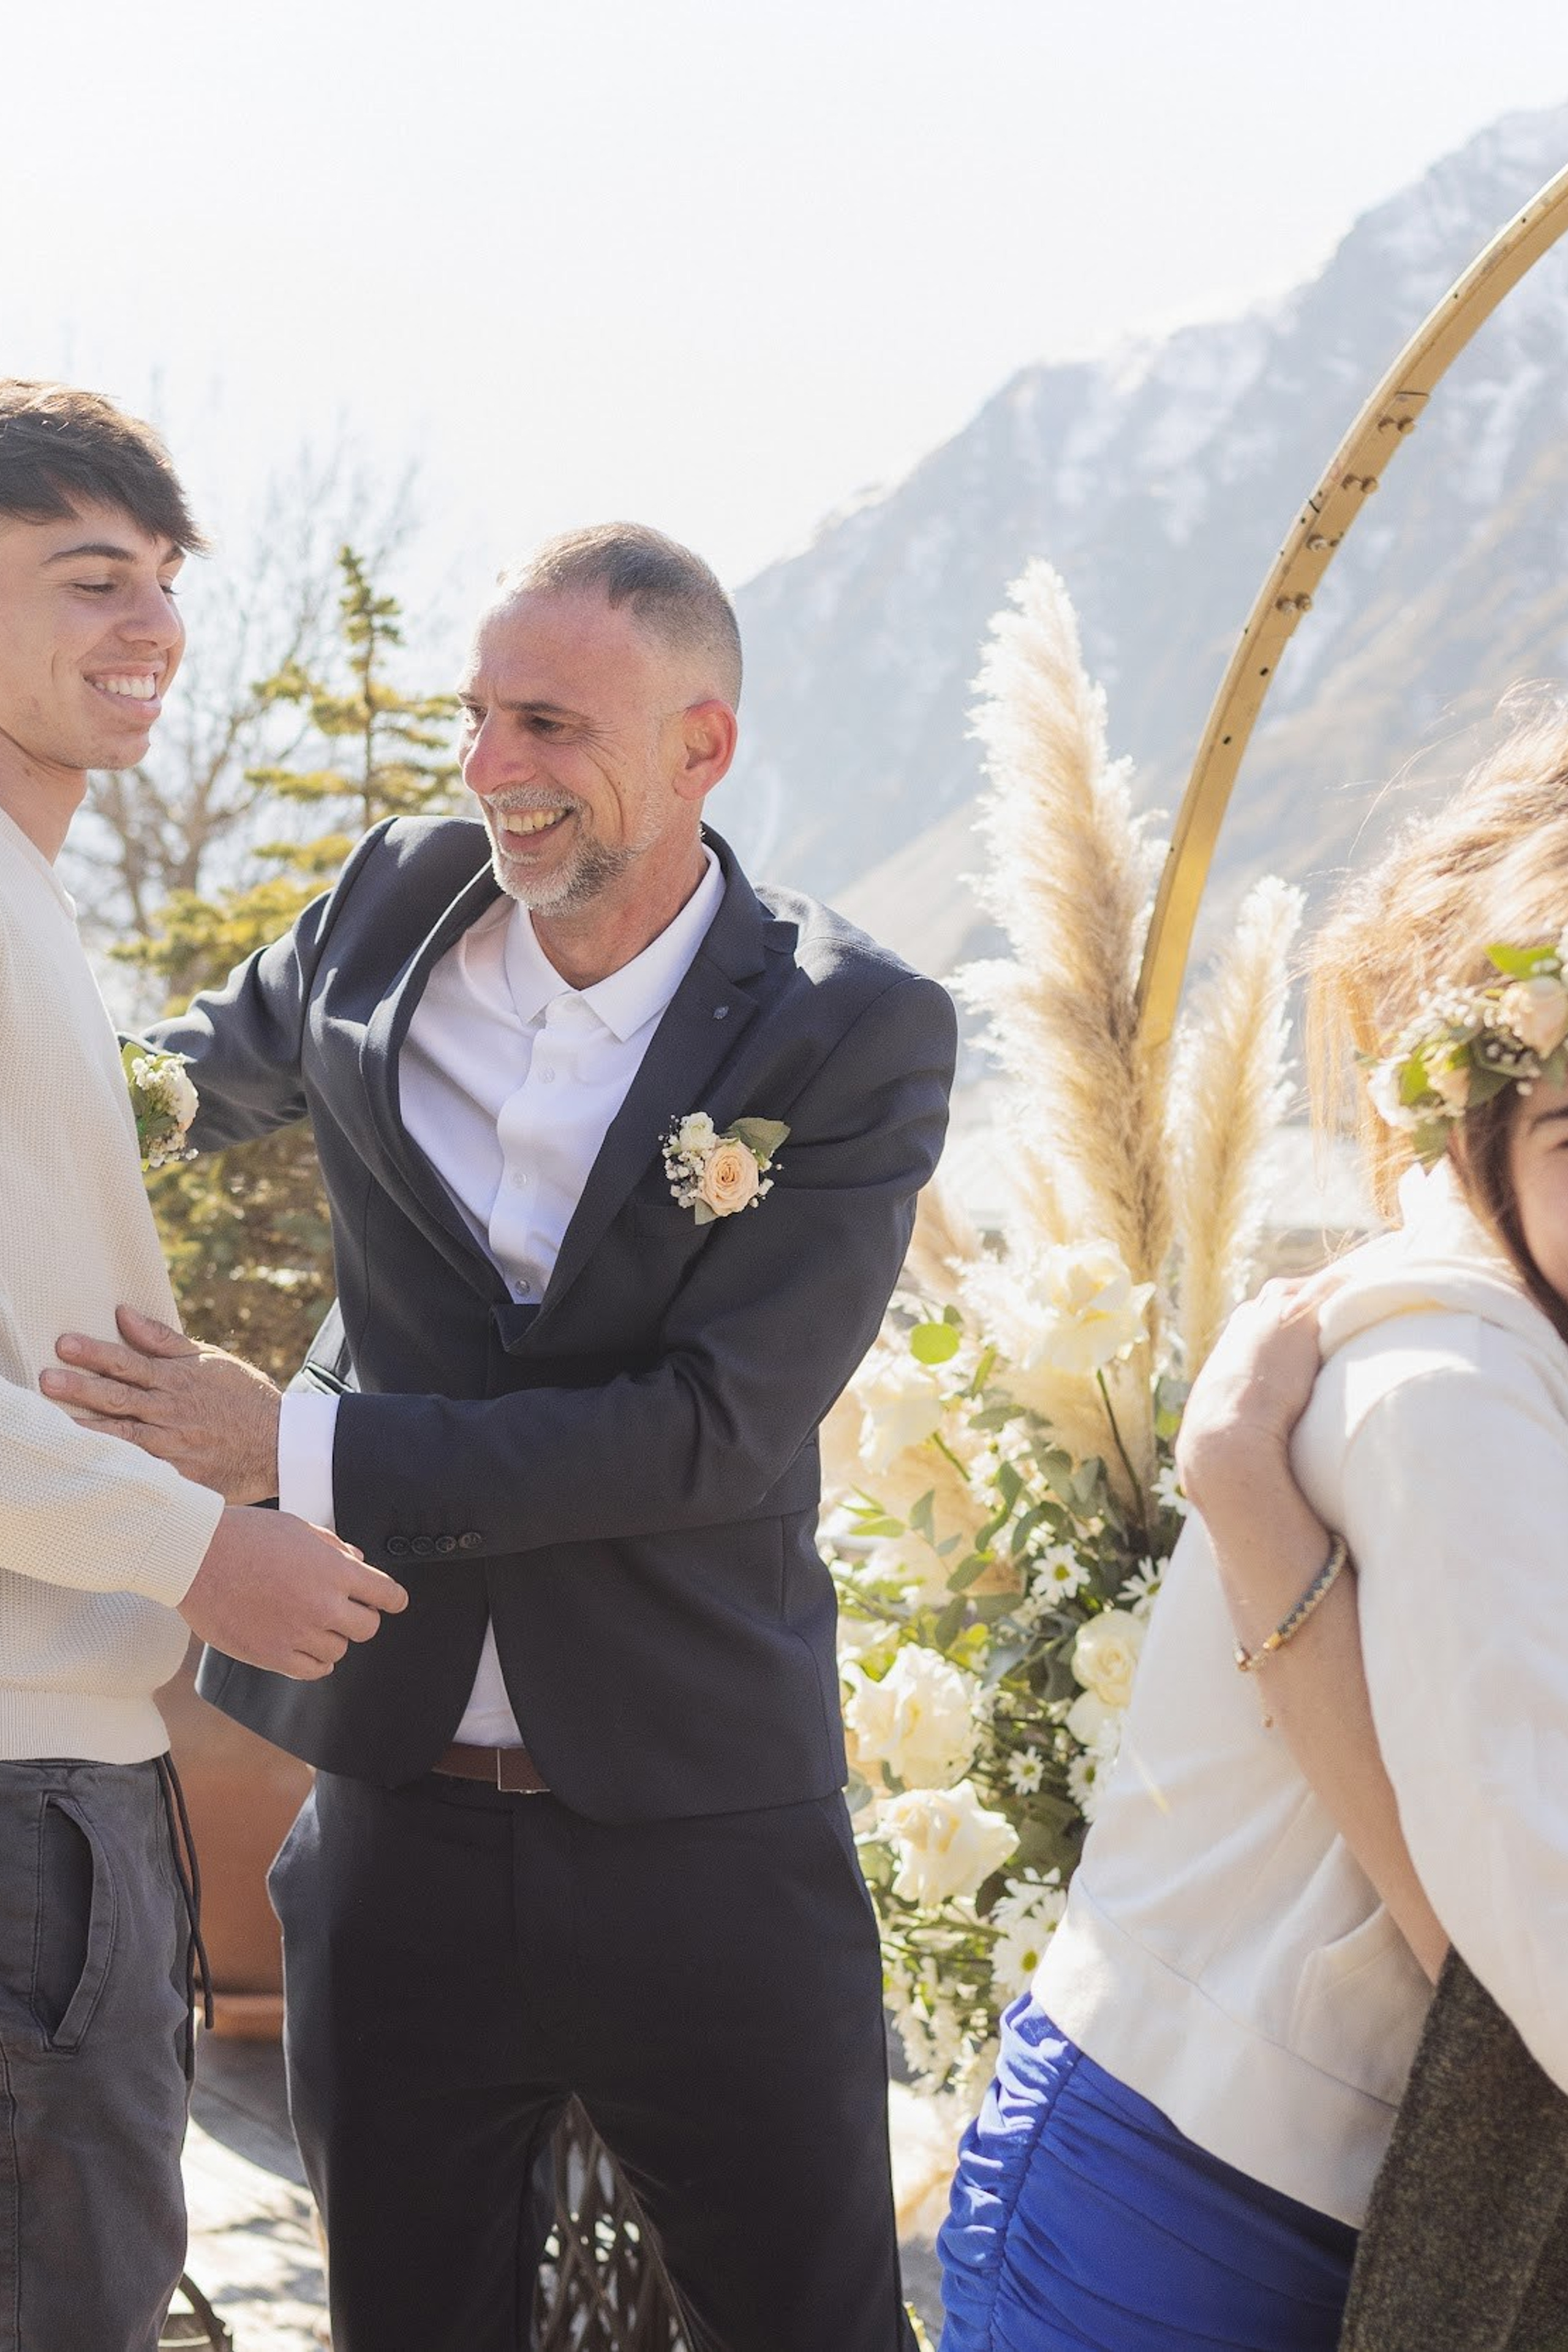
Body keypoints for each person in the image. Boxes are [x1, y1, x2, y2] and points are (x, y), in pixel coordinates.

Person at [45, 523, 959, 2352]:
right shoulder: (391, 900)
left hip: (706, 1826)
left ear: (701, 747)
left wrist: (289, 1453)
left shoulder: (850, 1028)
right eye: (476, 716)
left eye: (547, 724)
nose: (490, 769)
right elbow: (162, 1085)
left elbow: (712, 1433)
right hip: (391, 1823)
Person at [935, 720, 1568, 2350]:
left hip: (1324, 2183)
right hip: (1199, 2202)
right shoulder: (1449, 1385)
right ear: (1484, 1116)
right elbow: (1539, 1911)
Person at [0, 380, 407, 2352]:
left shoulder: (32, 900)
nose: (153, 624)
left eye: (164, 577)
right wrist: (198, 1548)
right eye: (91, 578)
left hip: (68, 1773)